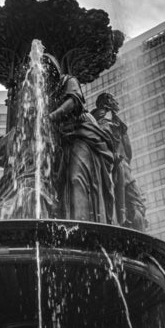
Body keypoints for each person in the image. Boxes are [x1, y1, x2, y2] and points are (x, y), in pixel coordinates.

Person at [48, 67, 115, 223]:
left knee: (76, 177)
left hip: (82, 133)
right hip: (64, 140)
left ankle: (81, 227)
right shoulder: (46, 93)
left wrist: (51, 117)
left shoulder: (67, 80)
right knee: (60, 186)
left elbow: (73, 101)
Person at [93, 92, 147, 230]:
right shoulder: (102, 118)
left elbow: (127, 149)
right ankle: (125, 221)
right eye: (113, 100)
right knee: (135, 200)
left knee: (136, 202)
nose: (116, 103)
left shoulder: (114, 120)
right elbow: (102, 135)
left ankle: (129, 223)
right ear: (106, 103)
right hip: (116, 164)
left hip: (123, 164)